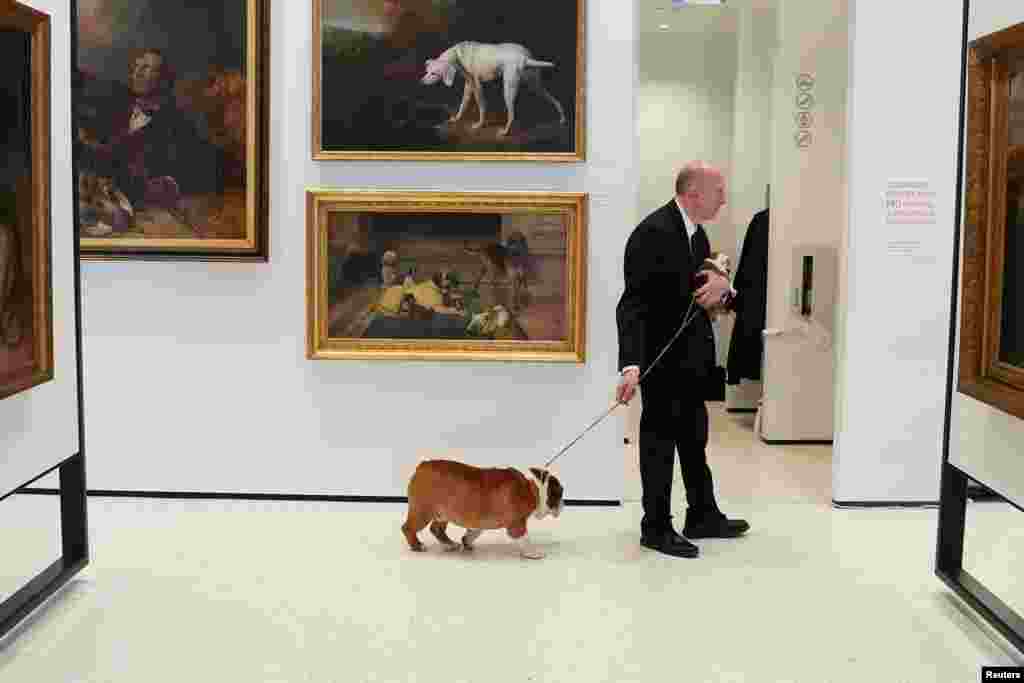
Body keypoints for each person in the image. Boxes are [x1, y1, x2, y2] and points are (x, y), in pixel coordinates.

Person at [615, 161, 750, 558]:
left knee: (694, 441)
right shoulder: (653, 233)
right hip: (662, 365)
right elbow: (633, 306)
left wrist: (726, 290)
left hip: (691, 365)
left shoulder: (698, 235)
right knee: (658, 445)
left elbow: (701, 296)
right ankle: (654, 526)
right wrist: (631, 365)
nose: (724, 198)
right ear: (693, 193)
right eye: (718, 191)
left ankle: (702, 514)